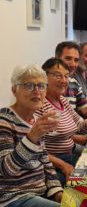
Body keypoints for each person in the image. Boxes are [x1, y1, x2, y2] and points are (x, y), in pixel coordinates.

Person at [35, 58, 87, 186]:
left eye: (66, 76)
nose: (63, 80)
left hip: (69, 156)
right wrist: (64, 166)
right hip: (53, 165)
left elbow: (82, 127)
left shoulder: (62, 100)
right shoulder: (40, 105)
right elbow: (37, 149)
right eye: (57, 75)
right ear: (44, 77)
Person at [0, 64, 62, 207]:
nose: (37, 91)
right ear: (14, 90)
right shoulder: (4, 121)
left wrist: (57, 191)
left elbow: (45, 160)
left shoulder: (35, 119)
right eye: (29, 86)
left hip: (40, 191)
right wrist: (32, 137)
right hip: (13, 197)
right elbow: (6, 170)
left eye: (41, 86)